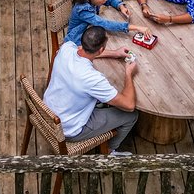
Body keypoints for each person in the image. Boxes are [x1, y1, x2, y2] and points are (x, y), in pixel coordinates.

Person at [43, 26, 138, 154]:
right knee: (132, 115)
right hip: (69, 129)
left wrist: (115, 53)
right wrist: (128, 73)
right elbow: (129, 105)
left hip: (49, 111)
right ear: (101, 49)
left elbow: (84, 52)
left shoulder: (67, 47)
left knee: (101, 101)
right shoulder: (93, 79)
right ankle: (110, 150)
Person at [66, 0, 151, 45]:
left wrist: (121, 6)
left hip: (90, 31)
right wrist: (136, 27)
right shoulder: (83, 10)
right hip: (77, 40)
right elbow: (104, 24)